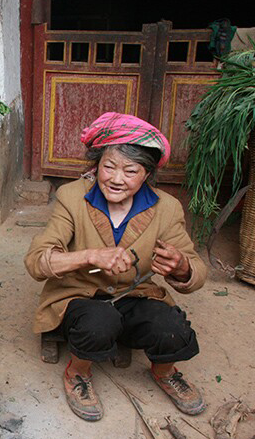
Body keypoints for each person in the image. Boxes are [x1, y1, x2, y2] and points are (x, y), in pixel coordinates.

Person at [24, 112, 207, 422]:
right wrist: (90, 256)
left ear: (147, 174)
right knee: (98, 322)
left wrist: (180, 266)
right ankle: (78, 374)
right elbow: (37, 260)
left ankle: (165, 373)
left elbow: (198, 272)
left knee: (171, 327)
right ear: (97, 166)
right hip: (81, 294)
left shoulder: (166, 208)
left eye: (130, 170)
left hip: (136, 295)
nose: (116, 178)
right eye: (108, 167)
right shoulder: (72, 197)